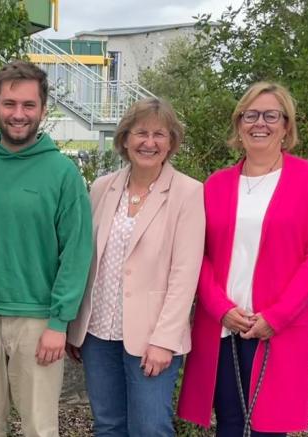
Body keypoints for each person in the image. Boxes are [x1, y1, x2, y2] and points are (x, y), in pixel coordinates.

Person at [178, 82, 308, 436]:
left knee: (268, 427)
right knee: (230, 425)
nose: (259, 123)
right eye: (250, 115)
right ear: (239, 124)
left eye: (270, 115)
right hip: (223, 326)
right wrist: (220, 307)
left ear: (286, 126)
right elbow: (195, 254)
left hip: (275, 329)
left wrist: (276, 316)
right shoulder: (216, 185)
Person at [0, 60, 94, 437]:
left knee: (39, 427)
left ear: (42, 109)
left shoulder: (62, 173)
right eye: (9, 104)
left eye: (28, 105)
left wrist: (59, 322)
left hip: (39, 321)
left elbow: (77, 250)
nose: (18, 114)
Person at [65, 97, 205, 436]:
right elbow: (86, 260)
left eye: (160, 134)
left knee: (149, 428)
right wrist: (74, 324)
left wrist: (164, 341)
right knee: (108, 425)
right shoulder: (101, 188)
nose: (149, 142)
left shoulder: (188, 193)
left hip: (151, 339)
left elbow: (185, 275)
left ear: (171, 142)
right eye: (141, 132)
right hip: (98, 332)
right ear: (125, 139)